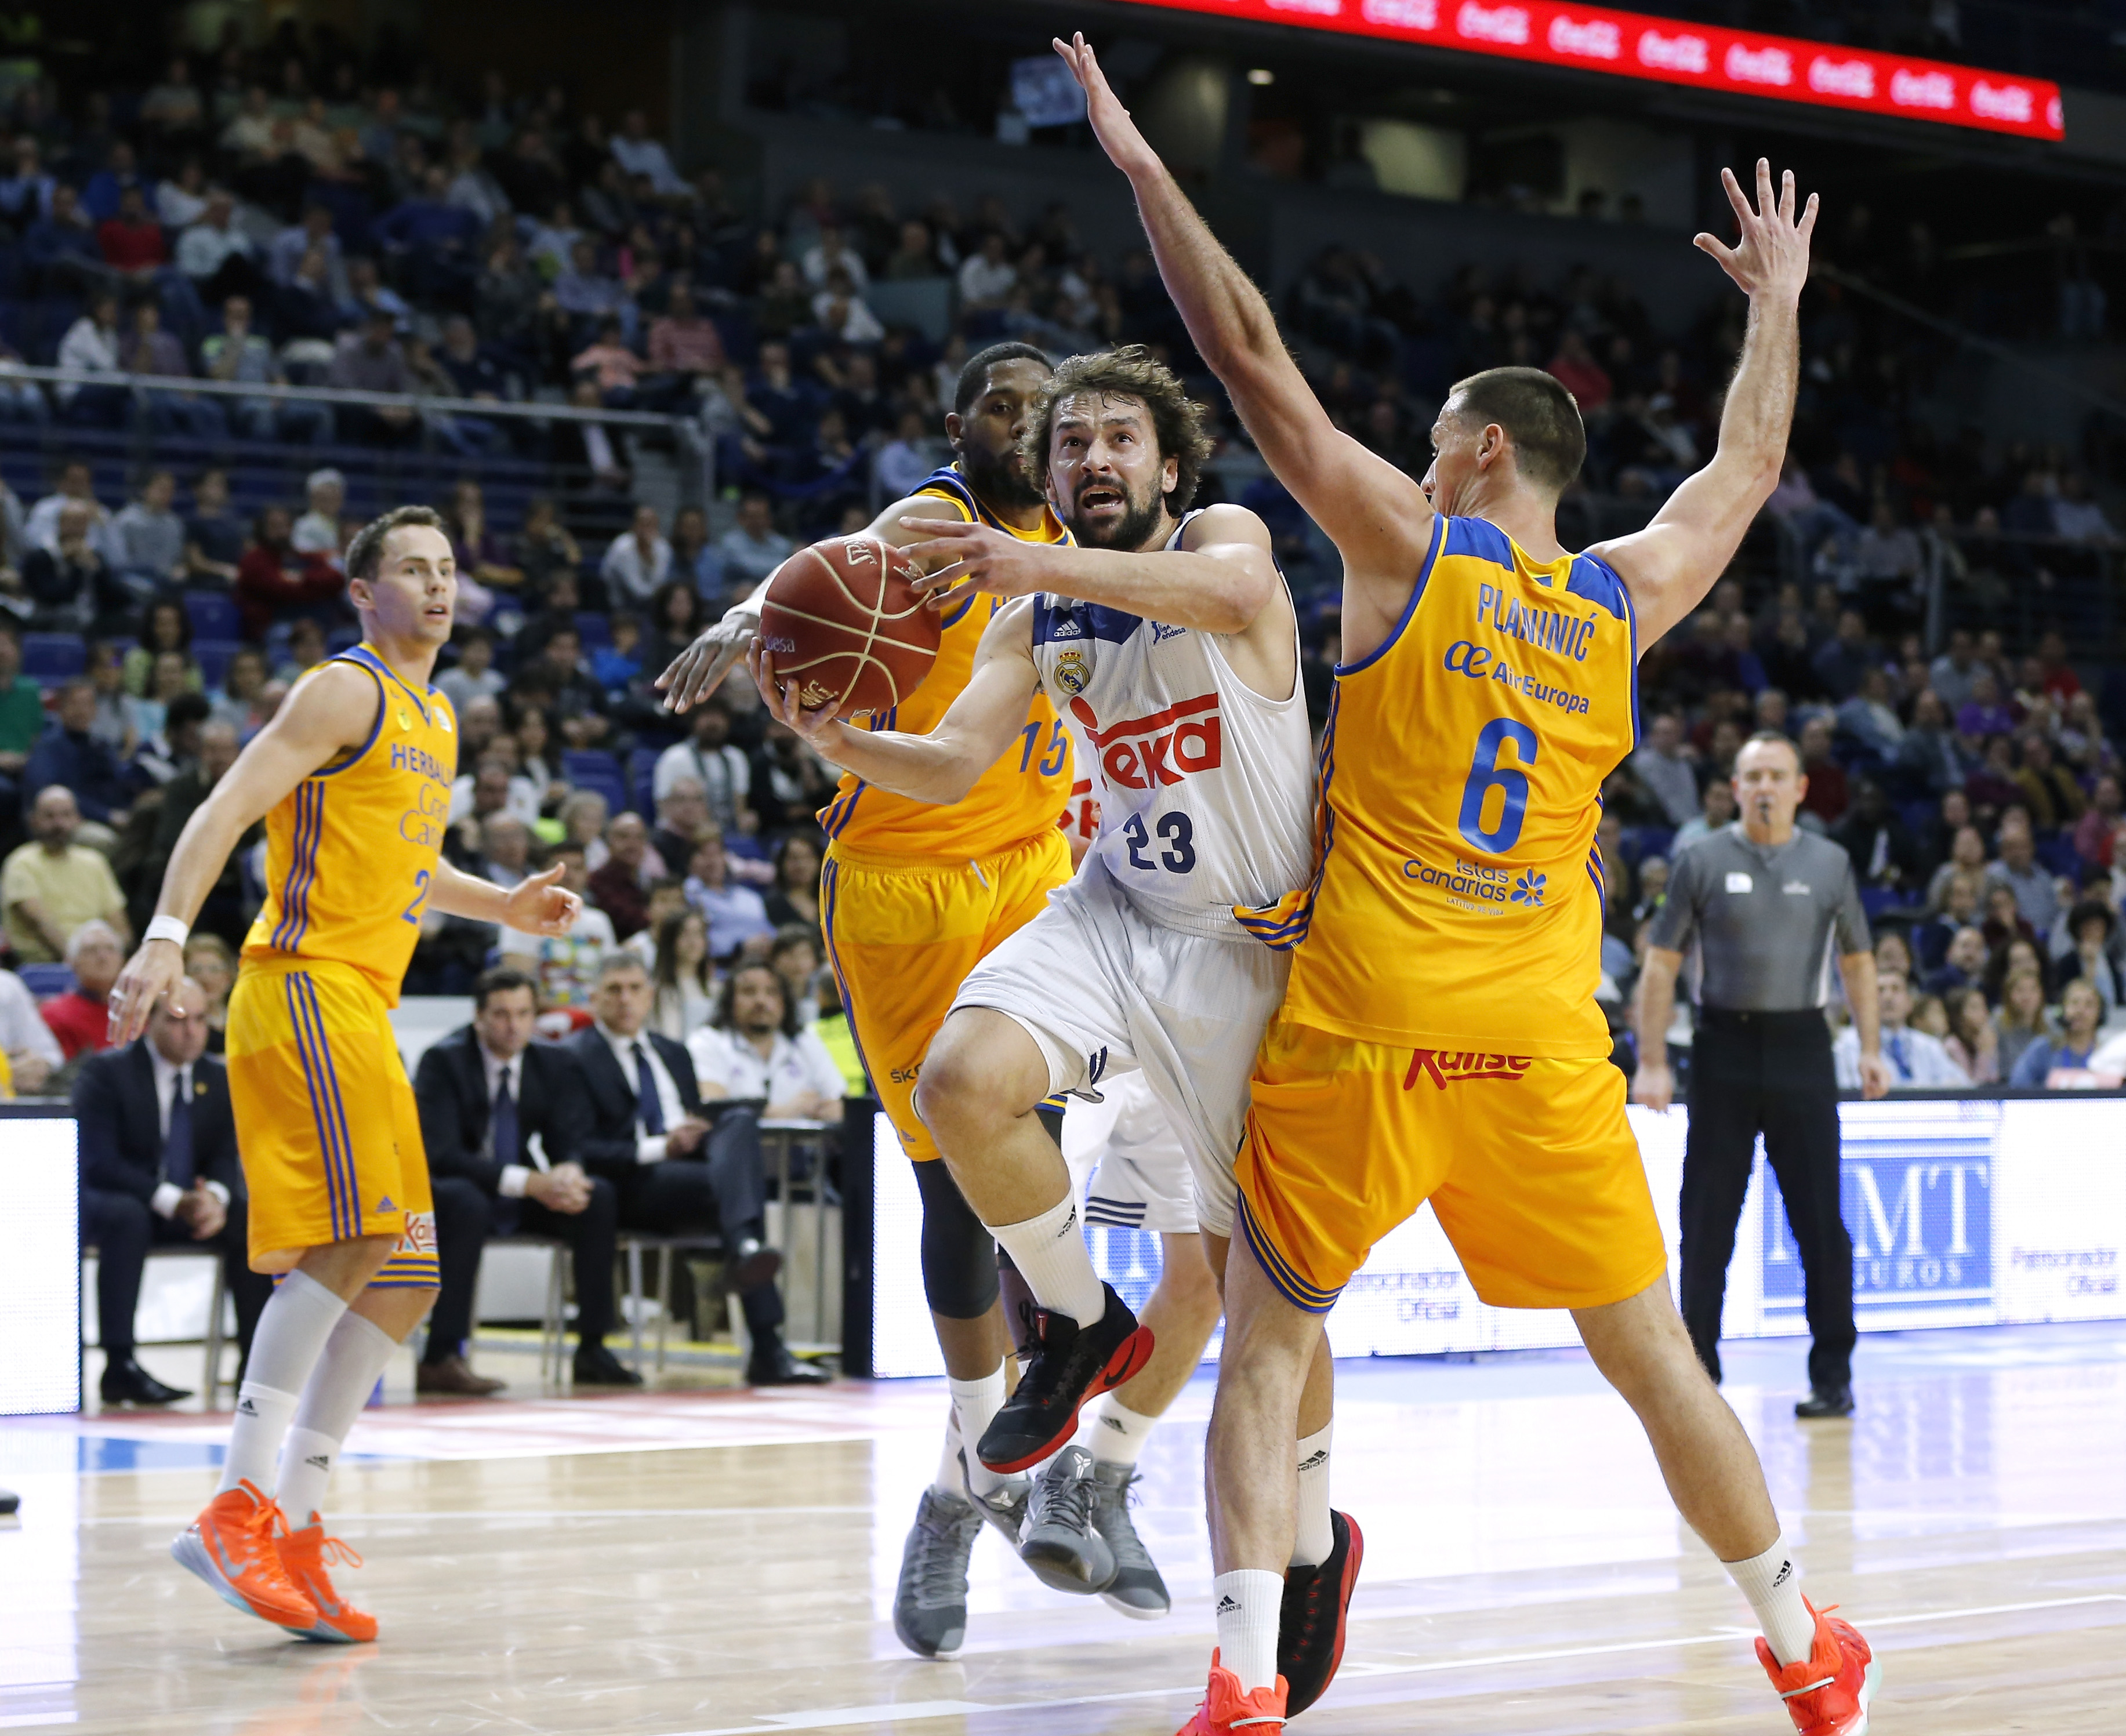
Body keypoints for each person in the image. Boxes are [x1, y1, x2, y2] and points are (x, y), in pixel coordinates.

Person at [1055, 36, 1875, 1734]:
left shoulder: (1406, 550)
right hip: (1534, 1035)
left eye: (1435, 442)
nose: (1418, 462)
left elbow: (1254, 359)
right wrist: (1776, 303)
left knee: (1274, 1334)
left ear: (1484, 457)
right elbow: (1744, 470)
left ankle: (1242, 1675)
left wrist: (1146, 175)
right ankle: (1801, 1639)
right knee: (1655, 1360)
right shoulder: (1617, 600)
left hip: (1364, 1020)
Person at [756, 343, 1304, 1636]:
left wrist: (1036, 561)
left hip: (1247, 952)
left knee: (1222, 1280)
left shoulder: (1220, 535)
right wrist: (846, 745)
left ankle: (1100, 1477)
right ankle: (1004, 1434)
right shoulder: (1034, 607)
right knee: (964, 1098)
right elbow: (948, 762)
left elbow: (1228, 593)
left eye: (1118, 439)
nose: (1090, 459)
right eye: (1069, 444)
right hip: (1111, 926)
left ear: (1170, 463)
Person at [661, 340, 1118, 1662]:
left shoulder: (1074, 535)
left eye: (1044, 406)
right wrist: (751, 618)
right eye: (1000, 402)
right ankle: (974, 1484)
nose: (1025, 423)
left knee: (1046, 1168)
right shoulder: (934, 525)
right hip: (903, 885)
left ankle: (1007, 1468)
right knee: (949, 1194)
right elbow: (830, 563)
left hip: (1033, 868)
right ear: (960, 422)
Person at [106, 504, 582, 1643]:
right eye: (410, 571)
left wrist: (499, 902)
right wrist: (168, 934)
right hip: (301, 981)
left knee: (407, 1273)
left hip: (363, 1002)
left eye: (447, 569)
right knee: (355, 1239)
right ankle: (236, 1504)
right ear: (361, 595)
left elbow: (412, 863)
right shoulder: (343, 690)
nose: (435, 585)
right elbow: (226, 810)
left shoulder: (440, 714)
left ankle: (298, 1526)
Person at [1638, 732, 1885, 1415]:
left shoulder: (1831, 863)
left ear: (1802, 787)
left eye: (1778, 775)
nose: (1766, 787)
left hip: (1803, 1049)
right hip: (1724, 1049)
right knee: (1708, 1218)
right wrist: (1653, 1059)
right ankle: (1698, 1376)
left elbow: (1859, 962)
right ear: (1736, 788)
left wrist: (1871, 1047)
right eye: (1754, 777)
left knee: (1819, 1223)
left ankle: (1832, 1375)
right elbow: (1661, 963)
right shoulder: (1701, 859)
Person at [561, 950, 819, 1386]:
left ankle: (744, 1252)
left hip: (692, 1178)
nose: (626, 1000)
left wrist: (694, 1134)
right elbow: (579, 1147)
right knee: (739, 1201)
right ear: (595, 998)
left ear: (650, 996)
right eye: (614, 990)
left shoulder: (672, 1052)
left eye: (635, 989)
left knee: (737, 1120)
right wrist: (663, 1146)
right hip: (631, 1182)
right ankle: (766, 1339)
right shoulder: (574, 1056)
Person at [413, 967, 629, 1392]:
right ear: (478, 1016)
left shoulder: (553, 1062)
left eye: (523, 1014)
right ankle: (440, 1356)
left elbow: (568, 1139)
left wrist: (568, 1171)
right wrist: (528, 1183)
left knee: (596, 1197)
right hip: (453, 1190)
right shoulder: (444, 1061)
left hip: (518, 1192)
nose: (513, 1026)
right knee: (466, 1201)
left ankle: (593, 1346)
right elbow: (441, 1155)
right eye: (501, 1014)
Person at [77, 975, 273, 1405]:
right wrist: (171, 1199)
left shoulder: (218, 1077)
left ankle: (256, 1367)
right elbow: (99, 1162)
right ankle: (120, 1364)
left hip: (185, 1207)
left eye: (201, 1021)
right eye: (179, 1021)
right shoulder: (107, 1072)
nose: (192, 1033)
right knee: (126, 1218)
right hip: (119, 1203)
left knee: (247, 1215)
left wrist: (215, 1199)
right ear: (148, 1022)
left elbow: (226, 1154)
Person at [687, 962, 844, 1120]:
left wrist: (830, 1110)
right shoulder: (707, 1042)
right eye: (749, 992)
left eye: (772, 992)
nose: (761, 1001)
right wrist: (788, 1111)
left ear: (785, 1002)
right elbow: (714, 1111)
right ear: (730, 1001)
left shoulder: (805, 1041)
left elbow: (840, 1103)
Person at [3, 785, 129, 963]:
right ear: (34, 821)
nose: (59, 824)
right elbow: (39, 924)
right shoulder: (21, 862)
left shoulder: (94, 862)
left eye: (66, 815)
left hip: (99, 961)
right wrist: (78, 961)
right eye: (49, 816)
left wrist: (115, 957)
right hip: (47, 966)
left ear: (78, 819)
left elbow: (119, 924)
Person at [42, 919, 128, 1062]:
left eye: (111, 949)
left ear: (123, 960)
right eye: (91, 950)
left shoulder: (142, 1009)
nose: (103, 957)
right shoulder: (54, 1014)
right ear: (72, 961)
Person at [2008, 976, 2109, 1087]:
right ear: (2062, 1009)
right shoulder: (2043, 1048)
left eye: (2089, 1005)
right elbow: (2017, 1086)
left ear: (2100, 1014)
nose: (2080, 1011)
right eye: (2075, 1003)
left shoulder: (2109, 1054)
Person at [649, 907, 716, 1040]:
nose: (693, 942)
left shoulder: (715, 988)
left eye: (699, 934)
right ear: (671, 940)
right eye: (685, 935)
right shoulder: (656, 989)